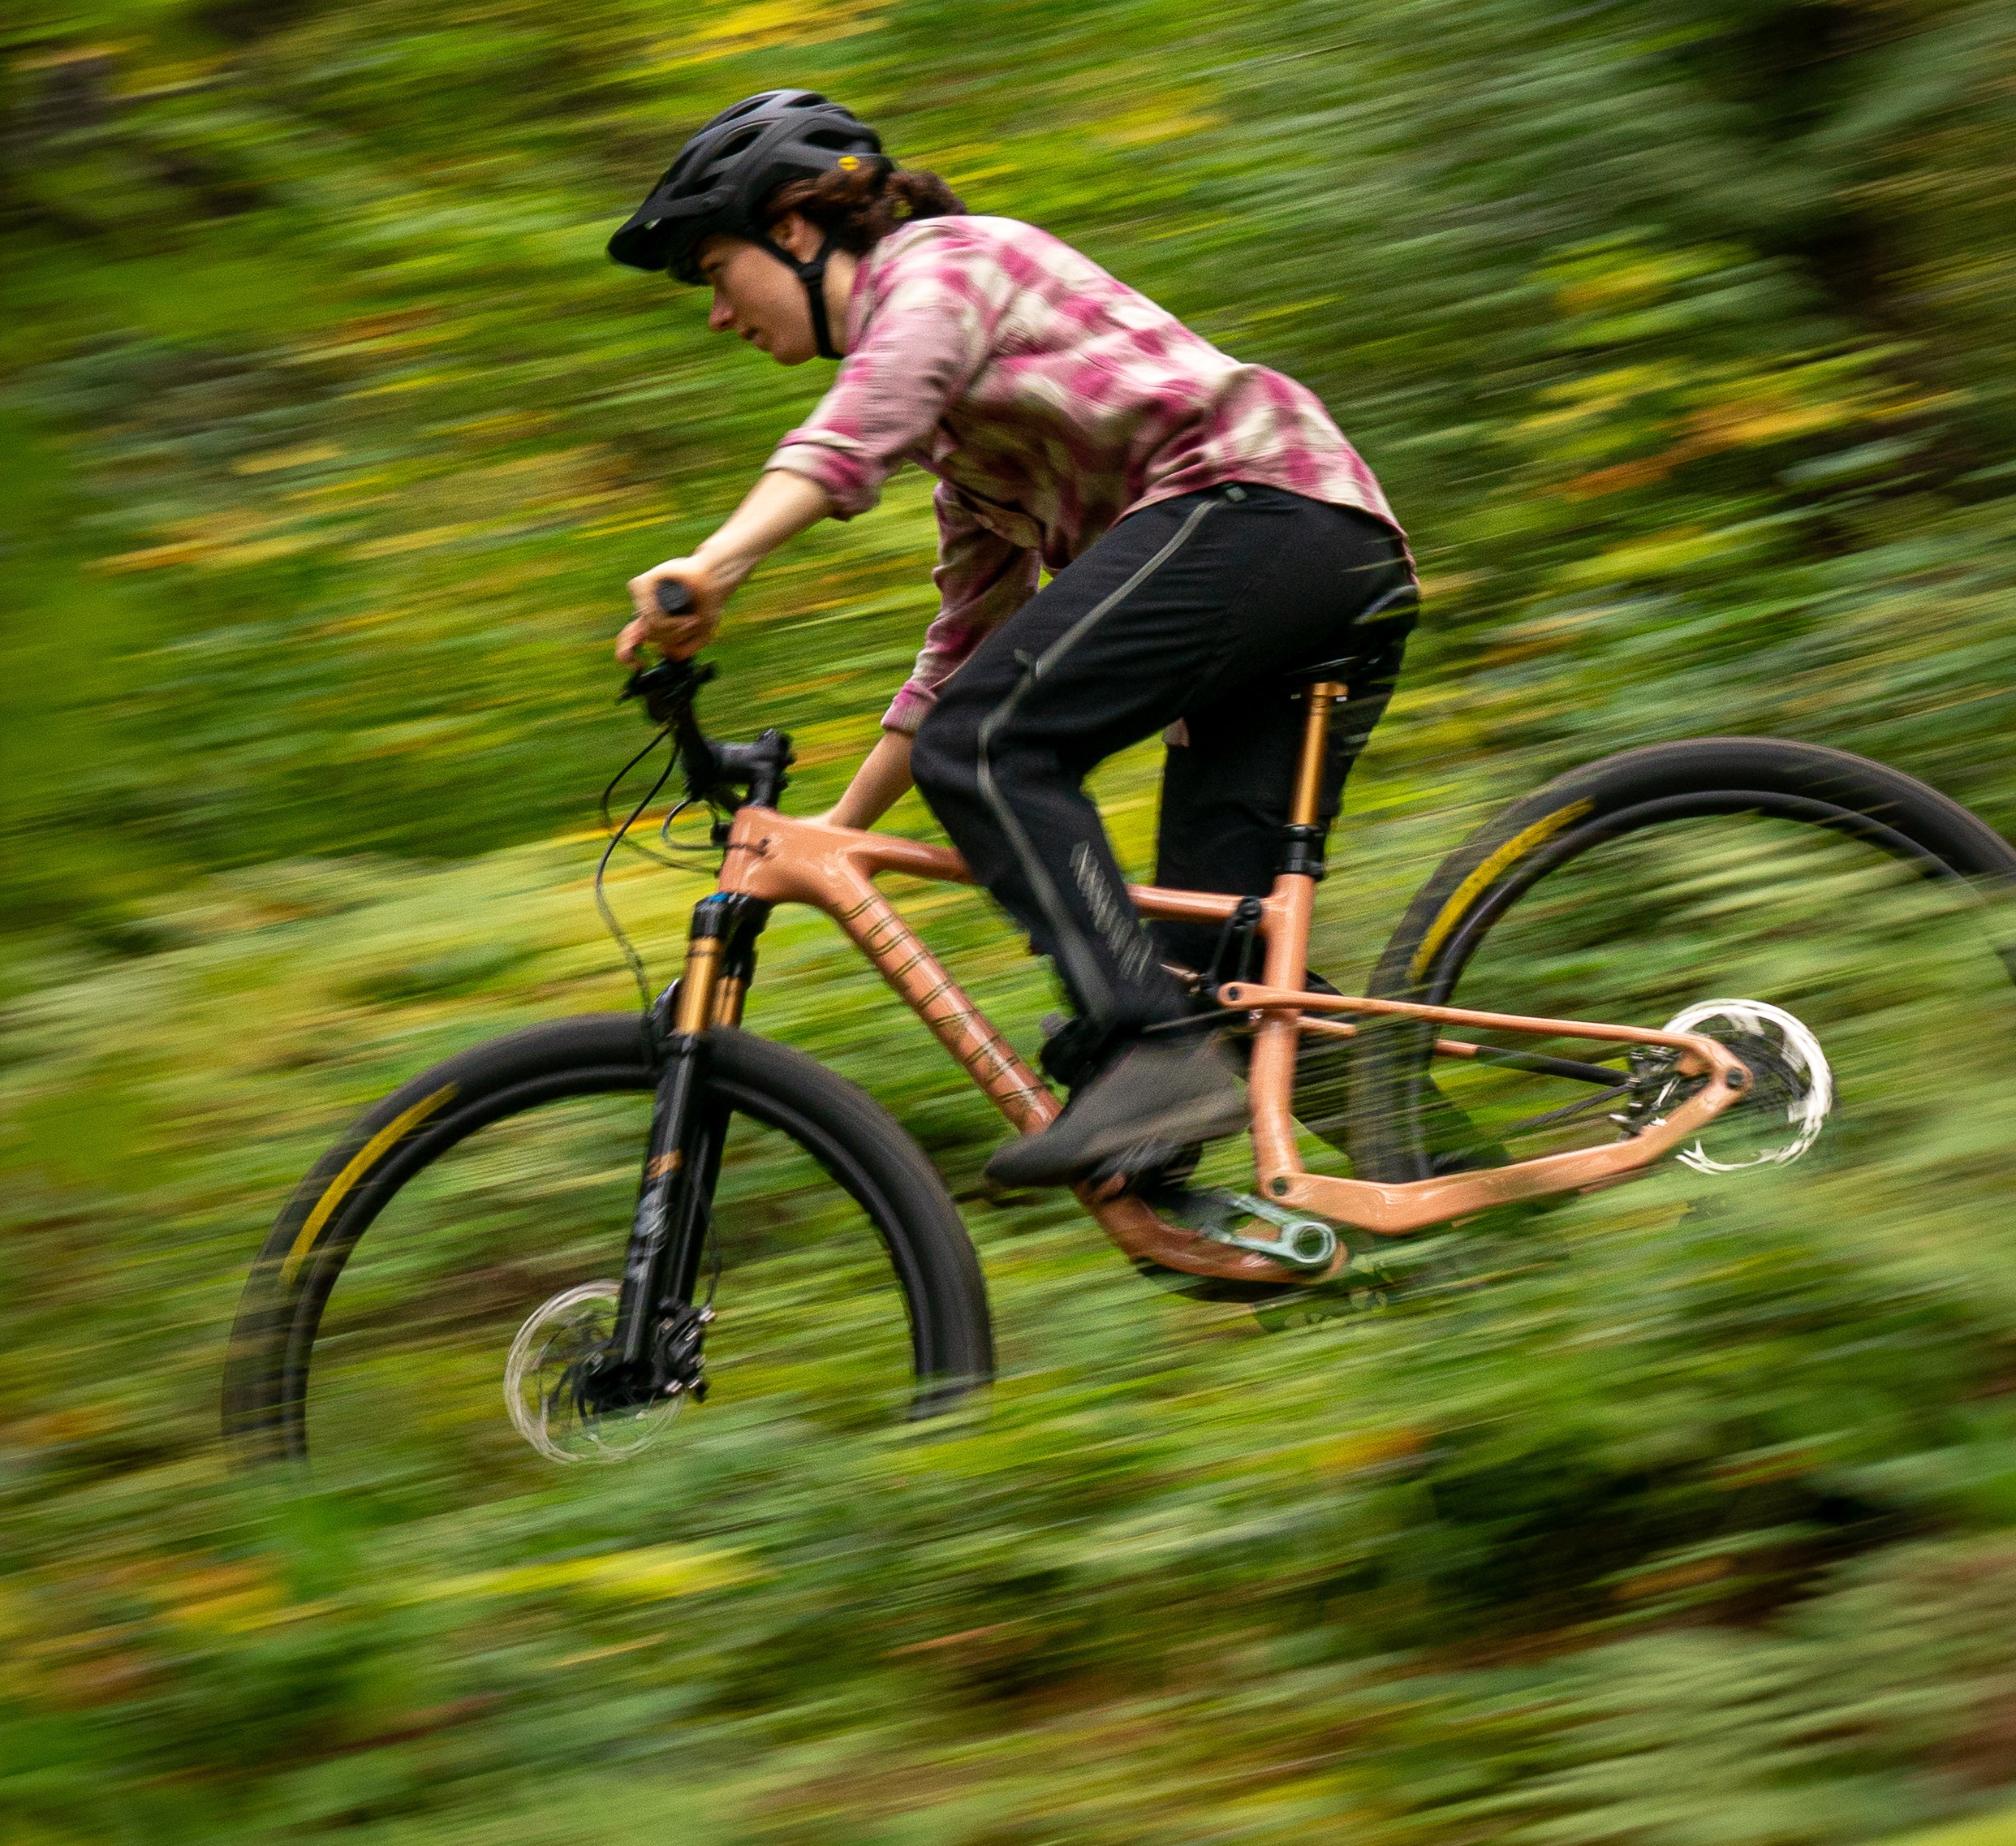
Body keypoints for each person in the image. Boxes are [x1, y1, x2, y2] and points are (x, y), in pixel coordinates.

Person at [606, 88, 1416, 1191]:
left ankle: (1145, 1055)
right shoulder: (969, 456)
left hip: (1262, 514)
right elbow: (954, 661)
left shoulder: (940, 263)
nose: (715, 313)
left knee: (995, 753)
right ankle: (1472, 1203)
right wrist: (836, 834)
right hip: (1305, 563)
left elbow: (857, 427)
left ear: (793, 227)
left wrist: (714, 562)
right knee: (1213, 977)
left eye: (712, 272)